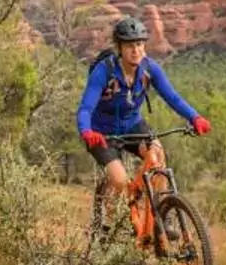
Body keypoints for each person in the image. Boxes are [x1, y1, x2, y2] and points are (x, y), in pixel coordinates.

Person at [78, 15, 210, 213]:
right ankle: (105, 232)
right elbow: (85, 108)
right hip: (102, 134)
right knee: (120, 181)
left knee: (158, 156)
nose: (135, 50)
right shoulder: (104, 71)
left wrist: (195, 117)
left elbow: (172, 97)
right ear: (119, 48)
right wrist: (87, 131)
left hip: (133, 125)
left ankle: (161, 215)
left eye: (140, 44)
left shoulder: (149, 69)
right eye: (129, 45)